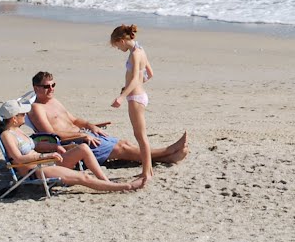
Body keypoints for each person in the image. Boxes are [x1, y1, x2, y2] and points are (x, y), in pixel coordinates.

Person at [25, 70, 187, 170]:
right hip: (73, 144)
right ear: (36, 88)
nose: (51, 89)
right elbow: (51, 134)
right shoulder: (37, 108)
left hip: (84, 135)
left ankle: (168, 157)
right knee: (122, 149)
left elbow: (73, 119)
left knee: (125, 143)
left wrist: (90, 126)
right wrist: (82, 136)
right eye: (47, 87)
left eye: (53, 85)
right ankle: (168, 150)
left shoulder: (54, 101)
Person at [0, 101, 142, 193]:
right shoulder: (8, 135)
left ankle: (106, 182)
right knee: (82, 177)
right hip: (36, 169)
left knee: (83, 148)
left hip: (46, 162)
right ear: (14, 119)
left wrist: (54, 147)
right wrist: (45, 156)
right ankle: (126, 187)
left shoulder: (18, 130)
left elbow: (36, 144)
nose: (25, 116)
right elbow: (19, 159)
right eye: (22, 114)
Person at [109, 23, 155, 184]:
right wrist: (135, 86)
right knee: (140, 135)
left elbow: (135, 78)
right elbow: (150, 74)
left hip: (135, 98)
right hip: (139, 95)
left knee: (140, 136)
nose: (117, 49)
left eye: (116, 45)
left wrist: (122, 96)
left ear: (121, 40)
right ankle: (147, 170)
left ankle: (147, 172)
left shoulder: (135, 54)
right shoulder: (140, 50)